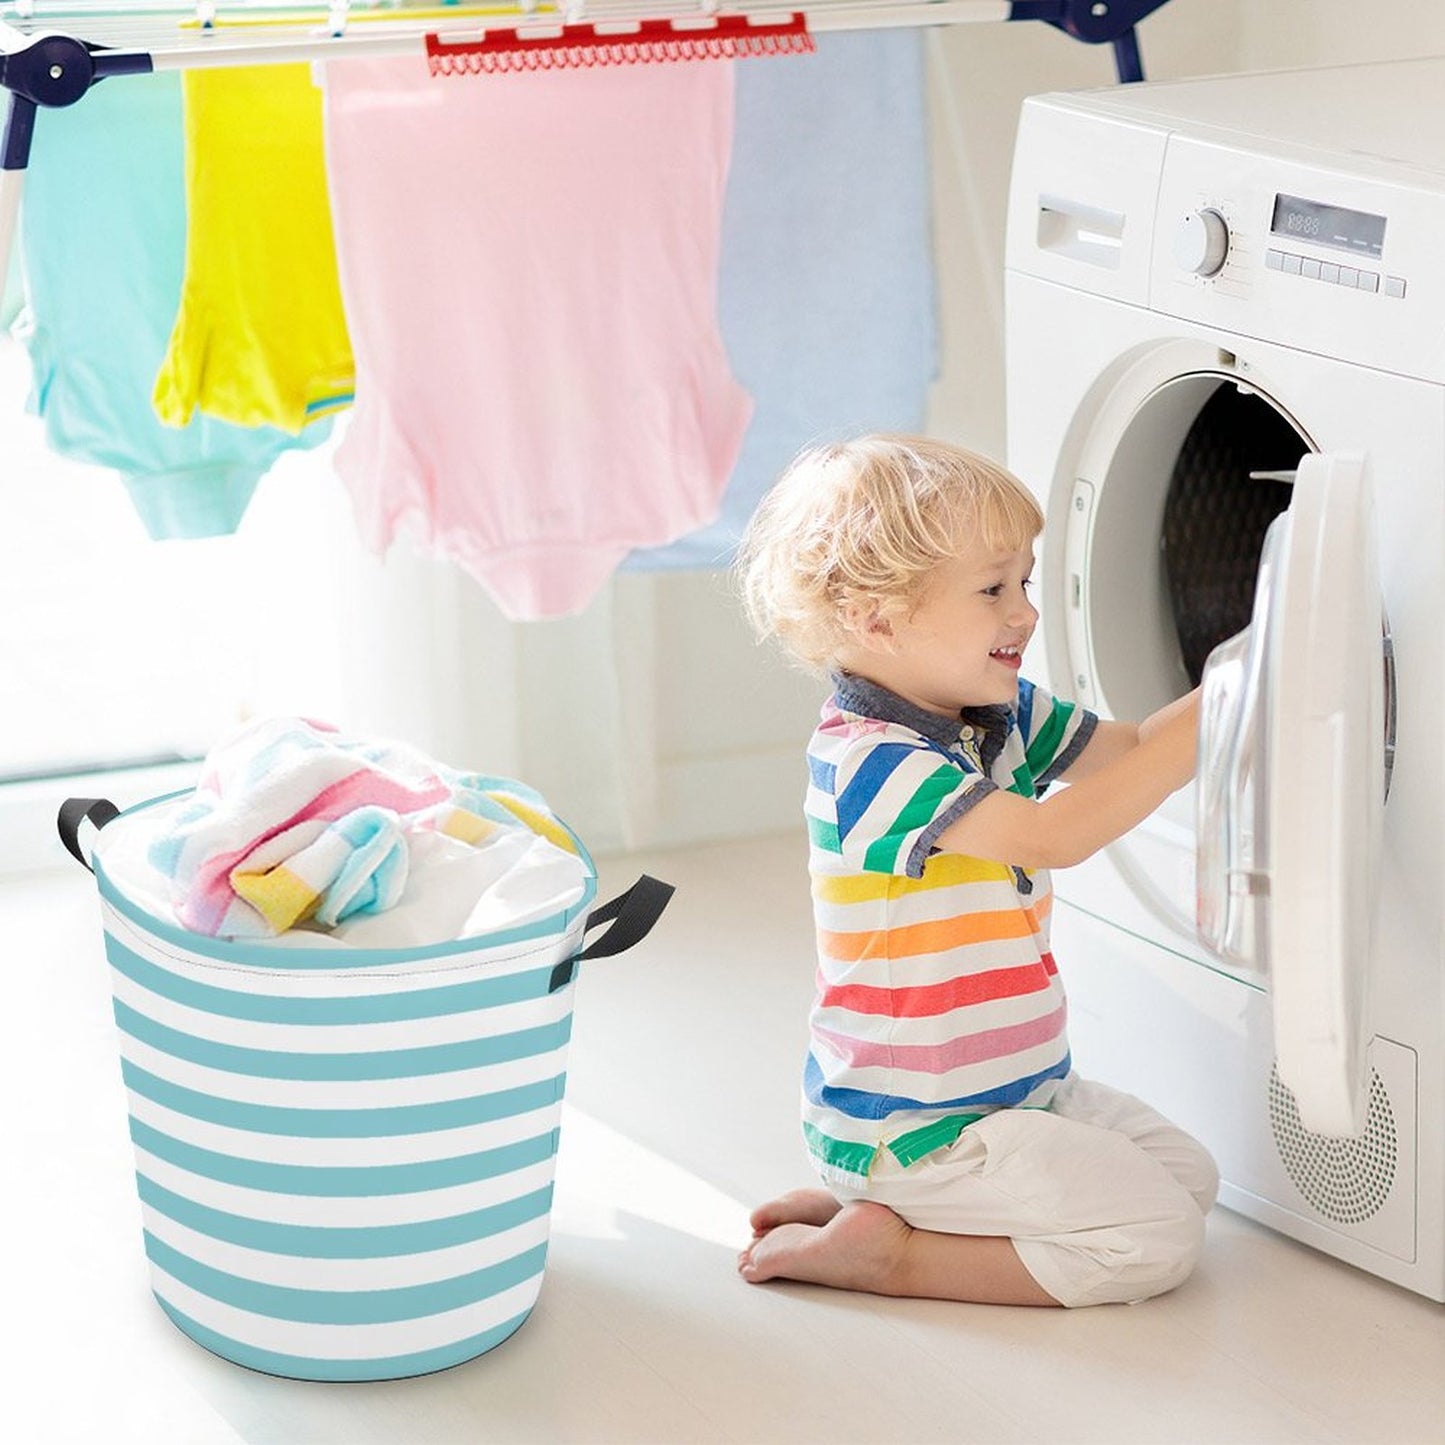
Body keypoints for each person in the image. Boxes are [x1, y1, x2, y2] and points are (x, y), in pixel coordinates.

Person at [733, 433, 1217, 1309]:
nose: (1024, 612)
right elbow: (1047, 835)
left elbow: (1129, 751)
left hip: (1023, 1089)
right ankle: (890, 1252)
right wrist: (1221, 709)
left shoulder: (994, 712)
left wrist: (1237, 677)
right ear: (875, 619)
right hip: (918, 1122)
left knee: (1192, 1180)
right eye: (993, 588)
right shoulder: (869, 762)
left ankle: (885, 1210)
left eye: (1023, 581)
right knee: (1155, 1239)